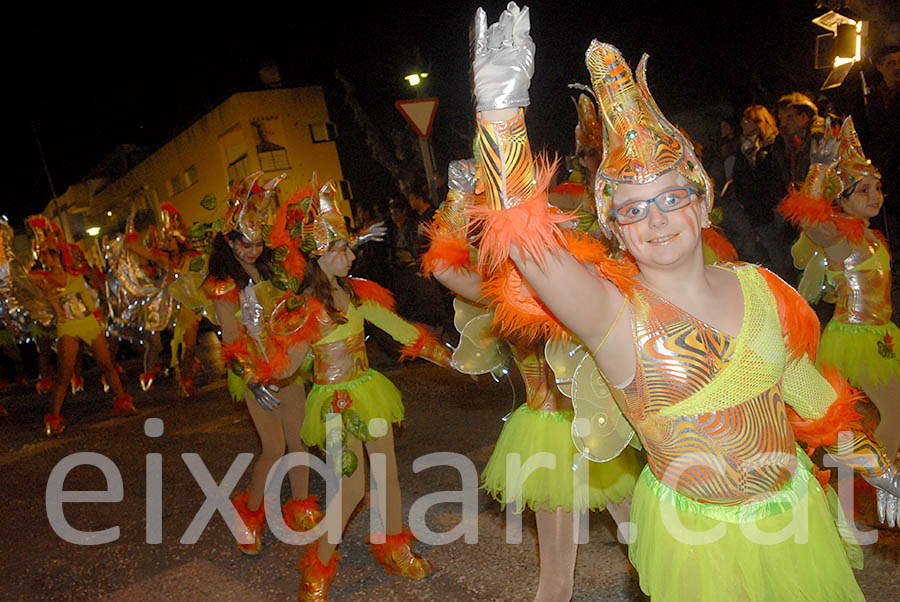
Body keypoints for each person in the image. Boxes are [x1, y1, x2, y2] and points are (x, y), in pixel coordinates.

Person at [465, 5, 900, 600]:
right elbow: (530, 245)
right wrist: (500, 112)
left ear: (701, 203)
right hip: (699, 548)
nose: (657, 219)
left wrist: (880, 470)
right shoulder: (613, 315)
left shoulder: (760, 286)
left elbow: (806, 392)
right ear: (615, 228)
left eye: (670, 198)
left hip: (797, 521)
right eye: (634, 208)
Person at [425, 158, 643, 602]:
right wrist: (458, 198)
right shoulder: (498, 289)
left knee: (647, 548)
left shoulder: (581, 280)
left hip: (596, 429)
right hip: (545, 437)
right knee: (557, 577)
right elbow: (444, 268)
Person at [266, 179, 449, 601]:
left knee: (387, 476)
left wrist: (449, 357)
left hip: (369, 391)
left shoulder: (357, 294)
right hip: (333, 404)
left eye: (350, 248)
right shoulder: (305, 311)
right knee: (351, 487)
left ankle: (395, 546)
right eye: (342, 250)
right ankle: (318, 564)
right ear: (317, 255)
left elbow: (399, 329)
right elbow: (288, 368)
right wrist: (268, 358)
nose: (350, 256)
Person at [203, 172, 323, 556]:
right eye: (243, 243)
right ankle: (251, 516)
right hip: (255, 371)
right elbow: (230, 339)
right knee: (272, 447)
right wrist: (252, 378)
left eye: (257, 243)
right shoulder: (223, 283)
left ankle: (301, 508)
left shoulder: (275, 268)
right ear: (229, 240)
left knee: (299, 440)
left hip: (288, 364)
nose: (251, 250)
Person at [780, 116, 900, 464]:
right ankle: (885, 482)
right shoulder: (839, 238)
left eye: (877, 188)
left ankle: (862, 483)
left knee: (863, 417)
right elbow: (808, 220)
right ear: (842, 198)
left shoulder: (872, 238)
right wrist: (818, 170)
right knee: (891, 410)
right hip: (853, 338)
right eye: (863, 190)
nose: (875, 196)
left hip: (882, 335)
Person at [26, 216, 136, 436]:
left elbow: (90, 297)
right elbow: (21, 277)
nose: (44, 257)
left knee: (107, 364)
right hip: (68, 327)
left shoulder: (74, 275)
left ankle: (123, 402)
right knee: (64, 376)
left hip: (89, 323)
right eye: (43, 254)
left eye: (48, 253)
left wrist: (98, 319)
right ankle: (54, 418)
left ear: (57, 254)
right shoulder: (42, 278)